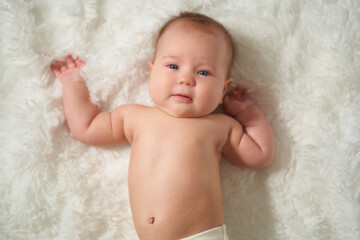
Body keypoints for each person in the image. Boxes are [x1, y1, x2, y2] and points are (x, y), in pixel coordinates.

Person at [51, 12, 275, 240]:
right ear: (152, 70)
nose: (185, 79)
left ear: (223, 89)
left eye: (204, 72)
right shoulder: (133, 117)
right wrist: (73, 84)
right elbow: (86, 127)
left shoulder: (220, 127)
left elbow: (260, 154)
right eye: (173, 66)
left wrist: (246, 112)